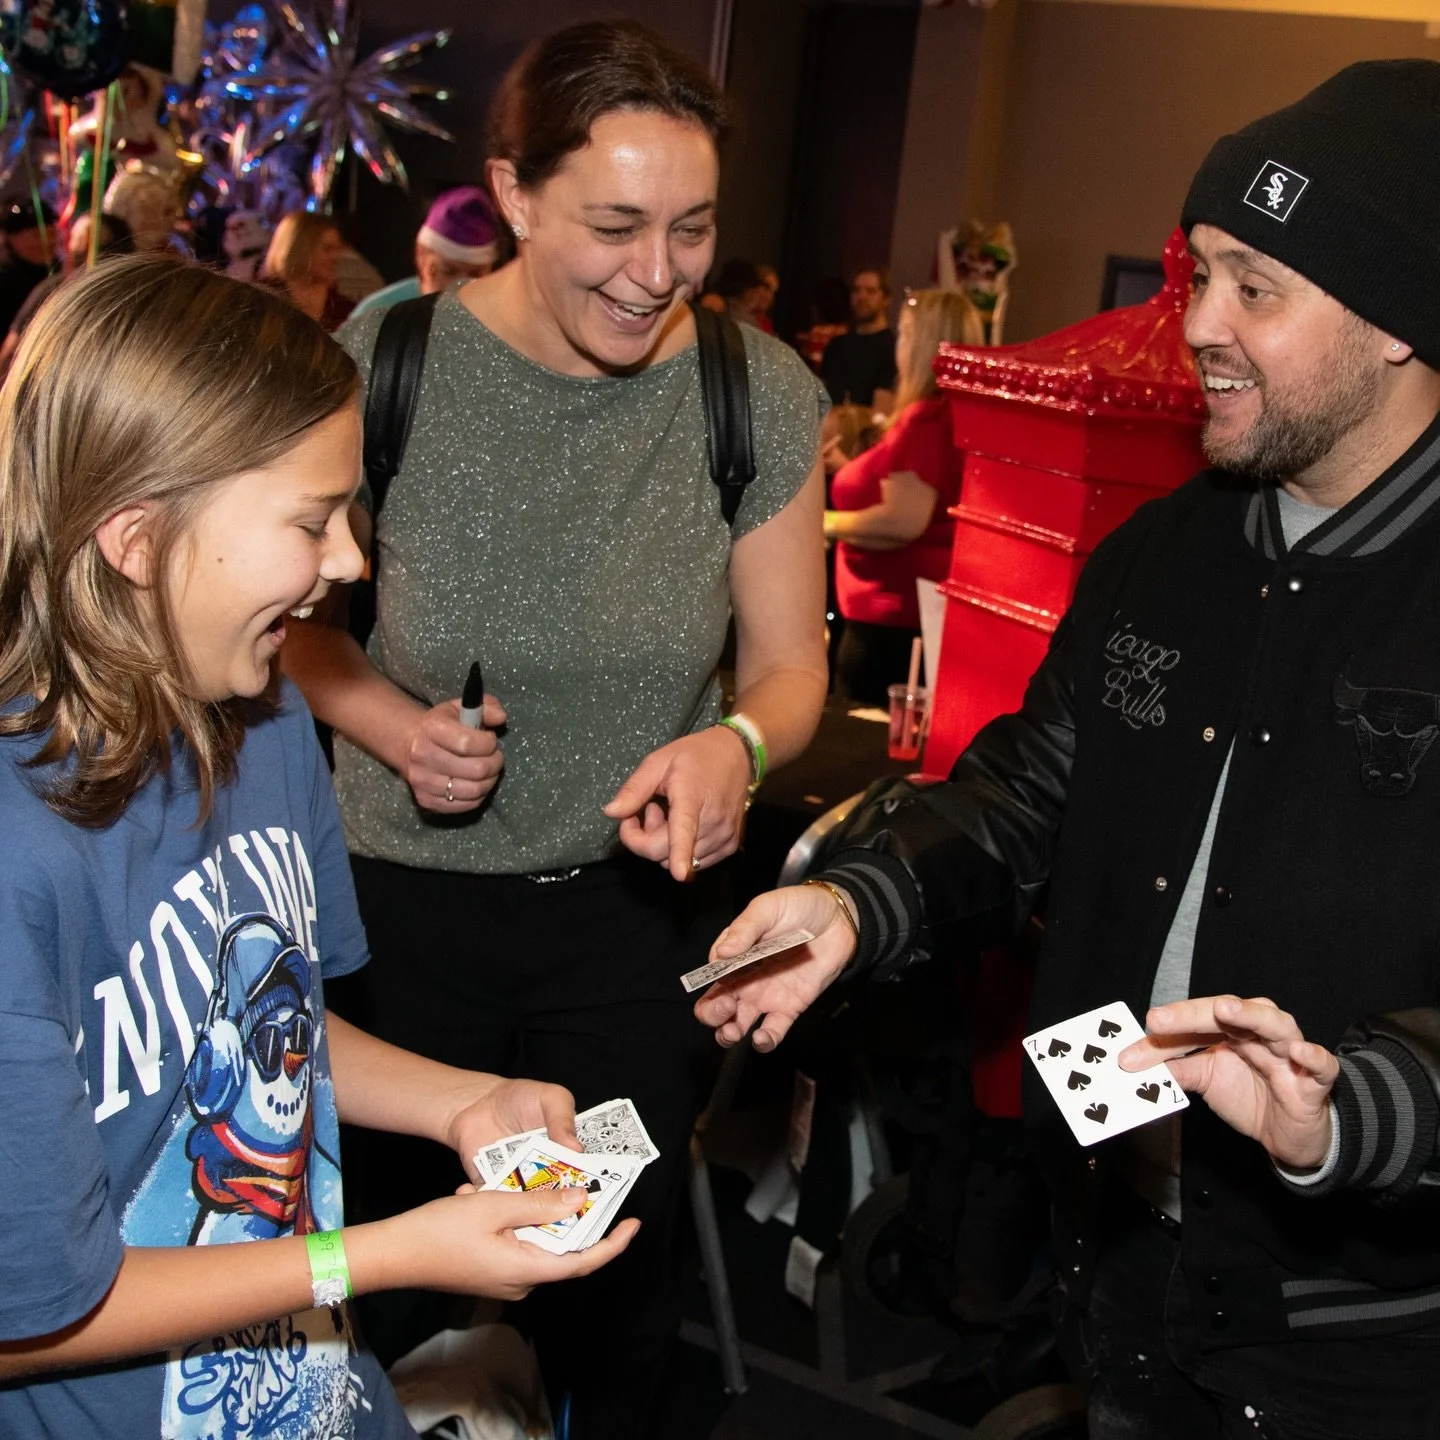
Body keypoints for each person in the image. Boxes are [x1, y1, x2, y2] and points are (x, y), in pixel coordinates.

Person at [695, 61, 1440, 1440]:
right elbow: (1023, 795)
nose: (1197, 325)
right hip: (1118, 1255)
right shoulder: (1165, 552)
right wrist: (860, 904)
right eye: (1200, 273)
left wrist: (1359, 1112)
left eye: (1257, 289)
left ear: (1400, 322)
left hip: (1361, 1334)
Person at [283, 19, 827, 1437]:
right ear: (516, 197)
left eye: (694, 228)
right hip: (397, 920)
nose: (659, 272)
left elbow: (789, 669)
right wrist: (392, 725)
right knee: (381, 1285)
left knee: (610, 1294)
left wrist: (736, 747)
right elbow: (288, 622)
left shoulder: (752, 392)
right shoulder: (390, 356)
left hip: (628, 928)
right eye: (616, 225)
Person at [0, 254, 636, 1438]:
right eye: (310, 520)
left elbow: (262, 1020)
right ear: (136, 537)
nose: (350, 559)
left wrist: (465, 1102)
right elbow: (32, 1316)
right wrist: (384, 1256)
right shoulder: (17, 853)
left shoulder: (268, 715)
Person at [825, 288, 982, 704]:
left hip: (890, 619)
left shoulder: (926, 418)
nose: (898, 344)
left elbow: (903, 521)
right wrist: (849, 470)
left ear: (923, 344)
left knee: (867, 733)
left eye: (906, 333)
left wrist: (823, 521)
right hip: (905, 615)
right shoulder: (950, 414)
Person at [0, 212, 135, 377]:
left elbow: (10, 354)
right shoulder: (136, 293)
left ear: (85, 242)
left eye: (71, 236)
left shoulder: (57, 290)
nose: (60, 242)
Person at [350, 186, 503, 320]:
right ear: (421, 257)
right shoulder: (376, 317)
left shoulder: (501, 324)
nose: (461, 287)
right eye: (449, 271)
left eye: (475, 275)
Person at [820, 264, 897, 412]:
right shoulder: (836, 346)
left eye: (870, 291)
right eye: (856, 290)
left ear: (885, 299)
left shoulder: (892, 349)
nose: (861, 297)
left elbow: (881, 413)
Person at [261, 210, 354, 331]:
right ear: (300, 248)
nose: (336, 257)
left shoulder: (345, 310)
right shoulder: (261, 300)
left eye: (337, 249)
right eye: (327, 249)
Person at [0, 199, 55, 334]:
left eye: (52, 234)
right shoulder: (5, 278)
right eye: (37, 235)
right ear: (12, 238)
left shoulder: (61, 270)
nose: (47, 242)